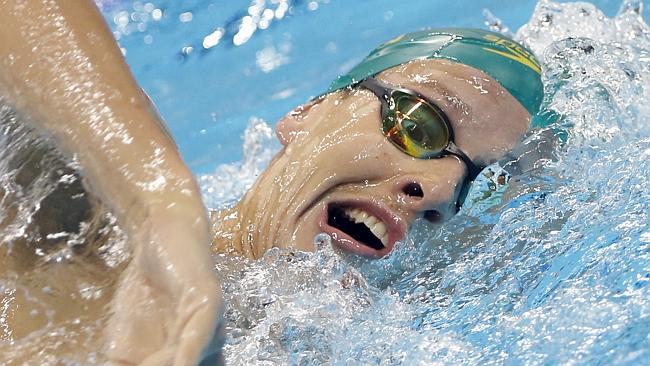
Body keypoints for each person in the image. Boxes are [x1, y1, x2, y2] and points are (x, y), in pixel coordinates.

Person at [0, 1, 544, 365]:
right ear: (306, 112)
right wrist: (156, 209)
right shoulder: (74, 244)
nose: (443, 191)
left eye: (477, 180)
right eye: (419, 124)